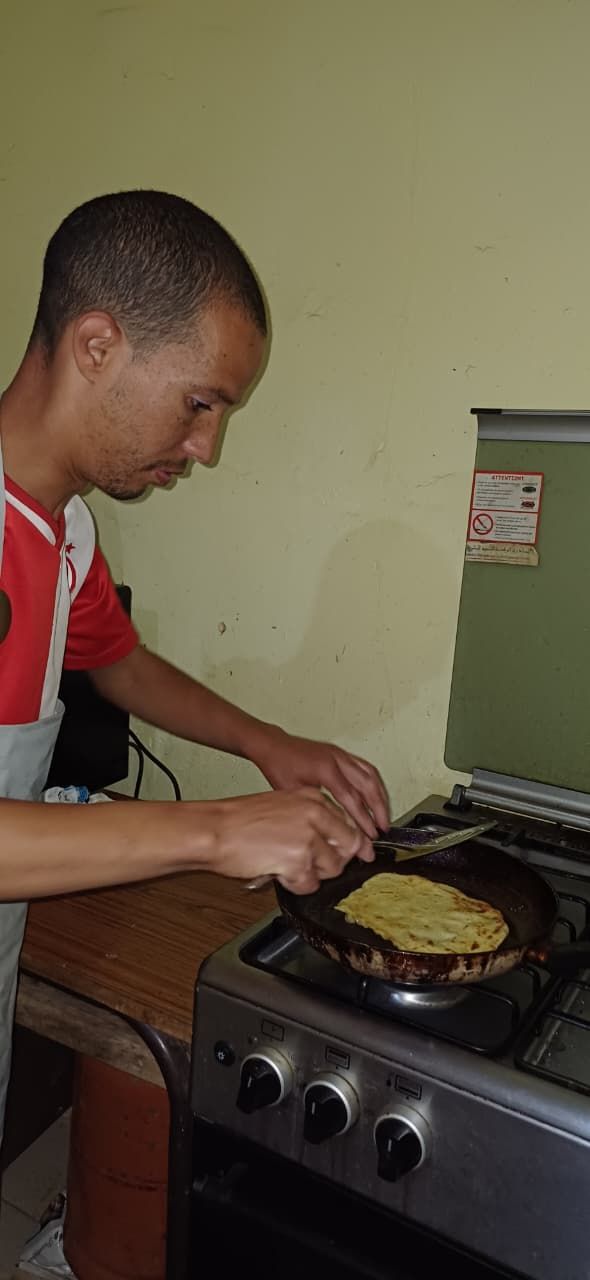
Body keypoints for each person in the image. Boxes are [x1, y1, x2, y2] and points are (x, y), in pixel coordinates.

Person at [0, 189, 389, 1134]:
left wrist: (269, 743)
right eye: (201, 402)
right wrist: (214, 830)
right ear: (98, 345)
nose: (206, 448)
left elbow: (118, 664)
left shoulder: (65, 533)